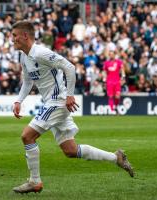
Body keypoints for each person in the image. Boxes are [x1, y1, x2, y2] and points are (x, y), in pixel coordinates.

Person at [11, 21, 134, 194]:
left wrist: (69, 95)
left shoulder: (41, 52)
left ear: (25, 35)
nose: (12, 39)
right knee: (70, 150)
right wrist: (18, 100)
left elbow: (69, 67)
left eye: (15, 35)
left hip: (58, 101)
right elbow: (28, 81)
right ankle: (116, 158)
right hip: (52, 102)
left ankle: (34, 181)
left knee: (27, 136)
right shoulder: (25, 56)